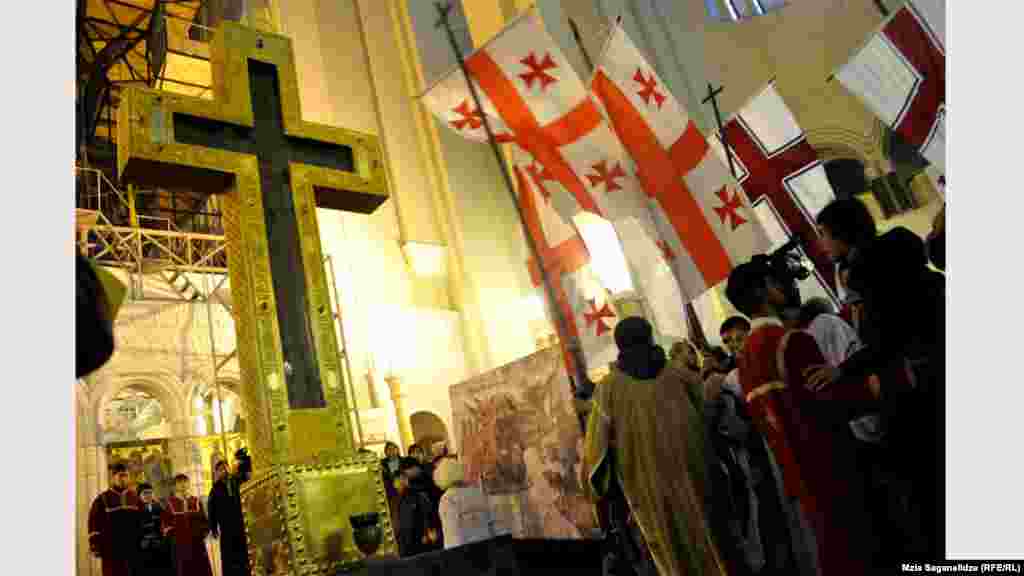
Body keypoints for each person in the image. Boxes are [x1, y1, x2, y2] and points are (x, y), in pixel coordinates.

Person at [725, 255, 878, 576]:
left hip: (794, 474)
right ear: (766, 289)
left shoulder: (746, 358)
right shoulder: (791, 341)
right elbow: (833, 403)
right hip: (832, 462)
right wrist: (874, 388)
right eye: (776, 282)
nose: (784, 286)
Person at [811, 199, 946, 559]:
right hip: (933, 379)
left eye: (823, 234)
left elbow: (885, 338)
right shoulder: (894, 259)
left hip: (911, 393)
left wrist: (842, 369)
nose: (821, 244)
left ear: (843, 232)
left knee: (922, 490)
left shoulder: (870, 269)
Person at [583, 316, 726, 576]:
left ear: (619, 347)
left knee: (672, 557)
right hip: (697, 481)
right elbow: (709, 419)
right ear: (651, 338)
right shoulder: (680, 374)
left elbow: (595, 459)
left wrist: (599, 495)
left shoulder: (607, 391)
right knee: (713, 547)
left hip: (649, 493)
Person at [88, 463, 142, 576]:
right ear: (113, 477)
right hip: (111, 548)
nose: (123, 479)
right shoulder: (102, 499)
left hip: (132, 546)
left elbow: (142, 520)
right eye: (120, 476)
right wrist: (95, 545)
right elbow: (94, 523)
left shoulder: (135, 497)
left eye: (126, 476)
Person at [434, 457, 496, 549]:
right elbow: (490, 521)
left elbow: (452, 533)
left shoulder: (447, 499)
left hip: (465, 550)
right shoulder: (476, 492)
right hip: (486, 545)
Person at [163, 474, 214, 576]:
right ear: (175, 486)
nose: (183, 484)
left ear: (189, 484)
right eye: (180, 482)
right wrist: (174, 537)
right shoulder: (170, 503)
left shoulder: (196, 501)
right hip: (181, 546)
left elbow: (204, 521)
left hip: (197, 544)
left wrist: (202, 533)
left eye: (185, 481)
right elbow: (166, 524)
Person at [208, 459, 250, 576]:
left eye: (226, 468)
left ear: (229, 468)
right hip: (226, 527)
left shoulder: (238, 480)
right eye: (220, 470)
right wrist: (213, 527)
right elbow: (212, 509)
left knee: (244, 553)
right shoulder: (215, 489)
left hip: (241, 523)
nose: (224, 471)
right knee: (229, 556)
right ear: (217, 473)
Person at [396, 457, 442, 557]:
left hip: (423, 538)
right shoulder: (429, 483)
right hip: (427, 537)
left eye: (405, 472)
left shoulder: (417, 490)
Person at [136, 483, 173, 576]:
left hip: (159, 545)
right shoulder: (135, 508)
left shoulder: (159, 506)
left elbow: (166, 522)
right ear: (139, 495)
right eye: (145, 493)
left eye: (150, 493)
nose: (148, 495)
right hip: (143, 547)